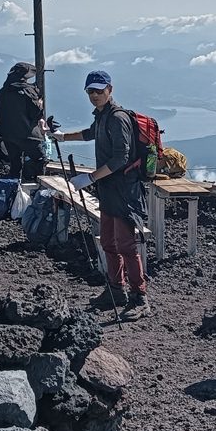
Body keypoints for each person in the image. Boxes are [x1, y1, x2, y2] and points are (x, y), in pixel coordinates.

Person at [54, 70, 150, 320]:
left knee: (126, 245)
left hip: (124, 192)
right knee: (108, 242)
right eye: (90, 91)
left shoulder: (117, 118)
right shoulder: (103, 116)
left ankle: (140, 297)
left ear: (110, 89)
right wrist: (63, 137)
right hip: (110, 189)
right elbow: (90, 133)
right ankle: (116, 291)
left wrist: (91, 177)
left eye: (99, 90)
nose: (95, 95)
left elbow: (121, 157)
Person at [0, 62, 50, 181]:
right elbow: (35, 114)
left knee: (15, 164)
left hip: (7, 135)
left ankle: (14, 192)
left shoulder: (3, 91)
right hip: (28, 134)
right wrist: (40, 104)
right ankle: (39, 188)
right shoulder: (28, 91)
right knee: (40, 159)